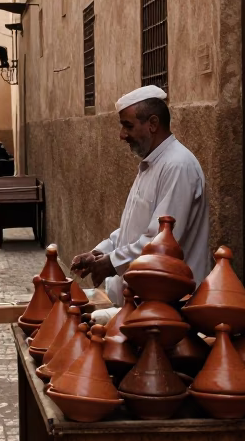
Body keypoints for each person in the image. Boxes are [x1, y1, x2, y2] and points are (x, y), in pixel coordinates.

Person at [71, 85, 210, 305]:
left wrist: (112, 262)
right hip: (145, 301)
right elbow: (134, 228)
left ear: (153, 124)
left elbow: (161, 240)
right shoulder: (153, 163)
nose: (122, 135)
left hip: (172, 303)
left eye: (128, 126)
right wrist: (100, 252)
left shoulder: (177, 166)